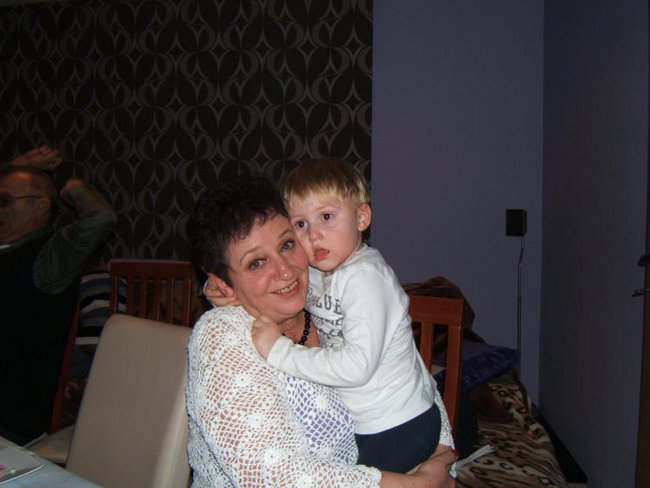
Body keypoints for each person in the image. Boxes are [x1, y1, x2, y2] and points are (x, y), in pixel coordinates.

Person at [187, 173, 456, 487]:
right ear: (223, 283)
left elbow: (406, 368)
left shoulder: (324, 299)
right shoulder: (222, 337)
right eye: (257, 263)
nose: (285, 271)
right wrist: (417, 485)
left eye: (287, 244)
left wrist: (441, 452)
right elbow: (268, 474)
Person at [0, 147, 117, 444]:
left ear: (40, 206)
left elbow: (101, 218)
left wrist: (75, 189)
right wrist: (16, 165)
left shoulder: (50, 255)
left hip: (11, 415)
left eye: (5, 201)